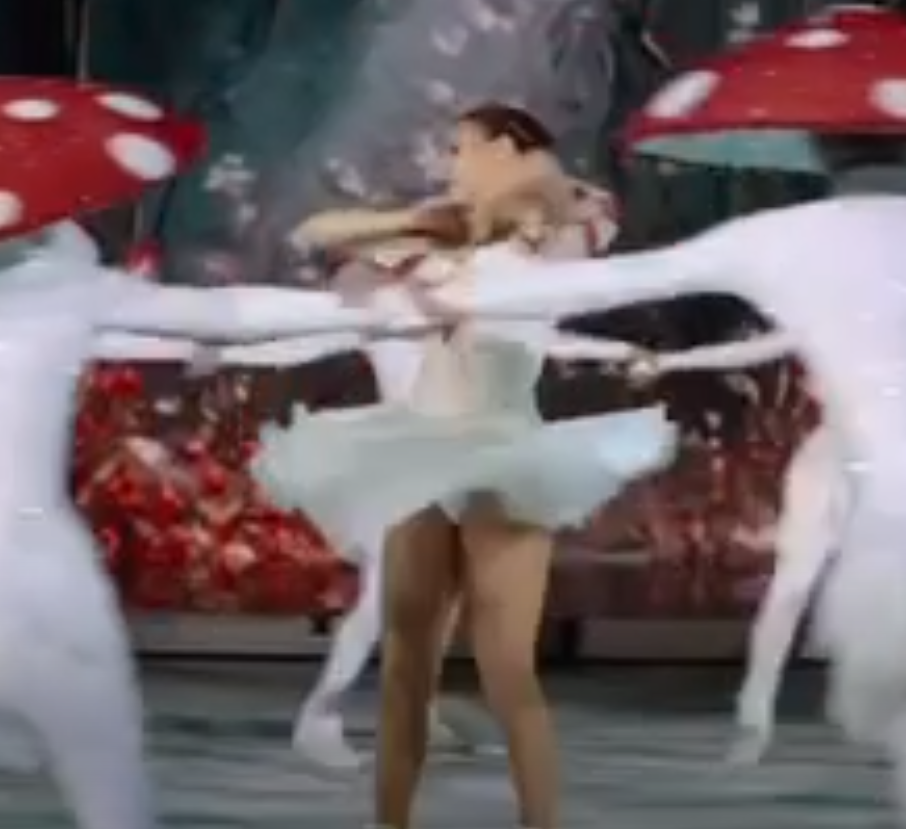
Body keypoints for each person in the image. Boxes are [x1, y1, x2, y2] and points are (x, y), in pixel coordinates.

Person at [427, 128, 906, 817]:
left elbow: (618, 279)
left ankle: (757, 716)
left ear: (823, 150)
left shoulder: (785, 237)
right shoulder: (795, 240)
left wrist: (459, 294)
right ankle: (755, 714)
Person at [253, 102, 677, 829]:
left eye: (463, 147)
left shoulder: (552, 238)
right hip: (423, 449)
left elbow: (587, 209)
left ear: (507, 148)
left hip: (502, 454)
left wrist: (508, 203)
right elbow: (321, 235)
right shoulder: (439, 240)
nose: (451, 160)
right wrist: (418, 222)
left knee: (506, 668)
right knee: (405, 670)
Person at [0, 219, 409, 829]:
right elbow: (223, 314)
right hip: (38, 562)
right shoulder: (62, 288)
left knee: (104, 769)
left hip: (39, 563)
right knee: (104, 772)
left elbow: (223, 315)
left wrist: (359, 311)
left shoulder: (61, 288)